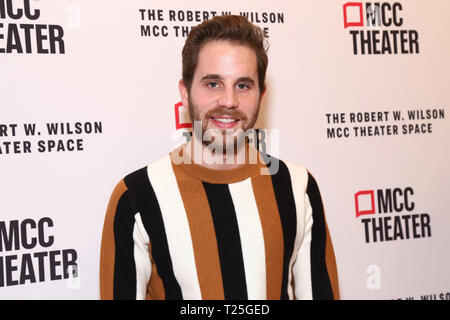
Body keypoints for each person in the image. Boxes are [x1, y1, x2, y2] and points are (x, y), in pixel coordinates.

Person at [100, 15, 339, 300]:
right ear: (185, 92)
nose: (229, 101)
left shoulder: (297, 187)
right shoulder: (136, 196)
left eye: (242, 85)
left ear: (261, 95)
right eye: (213, 84)